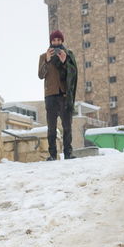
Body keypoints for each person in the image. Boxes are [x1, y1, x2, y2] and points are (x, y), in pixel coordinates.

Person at [38, 30, 78, 160]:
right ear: (51, 41)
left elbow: (72, 74)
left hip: (64, 95)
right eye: (54, 40)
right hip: (50, 96)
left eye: (59, 40)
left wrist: (65, 61)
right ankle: (52, 155)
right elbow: (40, 75)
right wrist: (48, 61)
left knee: (67, 126)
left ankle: (68, 153)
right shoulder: (43, 57)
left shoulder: (68, 55)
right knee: (51, 128)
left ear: (62, 41)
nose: (56, 42)